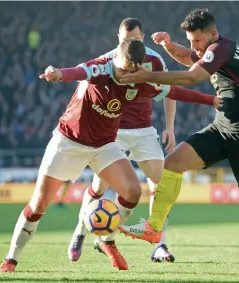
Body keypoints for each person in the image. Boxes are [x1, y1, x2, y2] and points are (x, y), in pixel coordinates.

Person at [0, 38, 222, 273]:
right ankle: (11, 259)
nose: (127, 75)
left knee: (133, 192)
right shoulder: (100, 69)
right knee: (39, 205)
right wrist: (58, 73)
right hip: (68, 142)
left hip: (103, 146)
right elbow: (75, 72)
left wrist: (211, 100)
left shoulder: (139, 80)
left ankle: (105, 238)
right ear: (115, 58)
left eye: (132, 71)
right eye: (124, 69)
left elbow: (174, 91)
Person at [118, 9, 239, 273]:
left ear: (212, 35)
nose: (194, 47)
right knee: (173, 162)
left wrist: (147, 77)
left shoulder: (223, 48)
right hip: (221, 127)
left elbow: (191, 76)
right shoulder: (209, 50)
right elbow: (185, 56)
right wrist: (168, 45)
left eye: (197, 41)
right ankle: (154, 229)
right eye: (190, 41)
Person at [68, 18, 177, 268]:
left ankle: (159, 243)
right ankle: (81, 231)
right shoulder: (107, 61)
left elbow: (170, 90)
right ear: (118, 37)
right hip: (112, 132)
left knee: (162, 186)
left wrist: (170, 127)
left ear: (143, 37)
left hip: (144, 130)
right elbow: (85, 87)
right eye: (127, 40)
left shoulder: (155, 60)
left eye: (136, 40)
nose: (131, 43)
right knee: (98, 187)